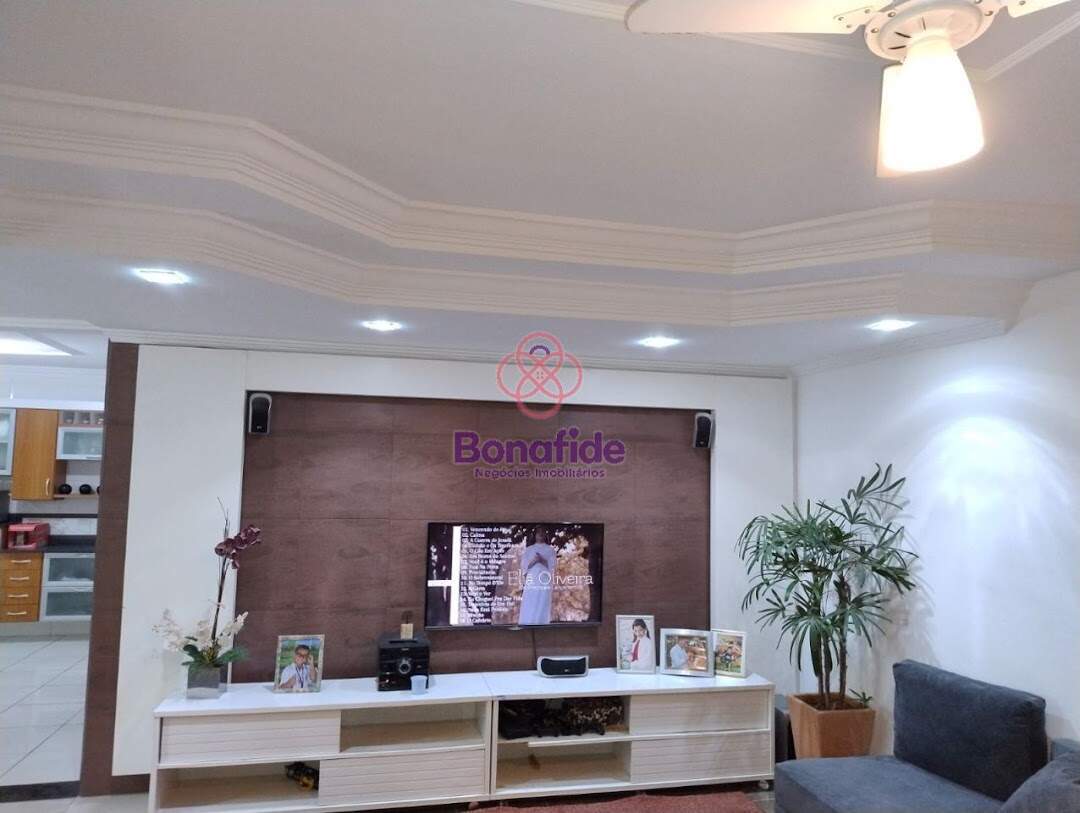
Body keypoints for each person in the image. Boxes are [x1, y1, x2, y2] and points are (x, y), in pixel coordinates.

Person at [518, 525, 556, 625]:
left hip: (544, 579)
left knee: (542, 602)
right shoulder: (529, 550)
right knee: (531, 601)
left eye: (543, 532)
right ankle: (528, 623)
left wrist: (542, 560)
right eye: (538, 532)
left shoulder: (550, 550)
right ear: (535, 535)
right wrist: (534, 561)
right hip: (532, 579)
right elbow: (524, 566)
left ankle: (541, 624)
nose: (541, 534)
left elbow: (552, 565)